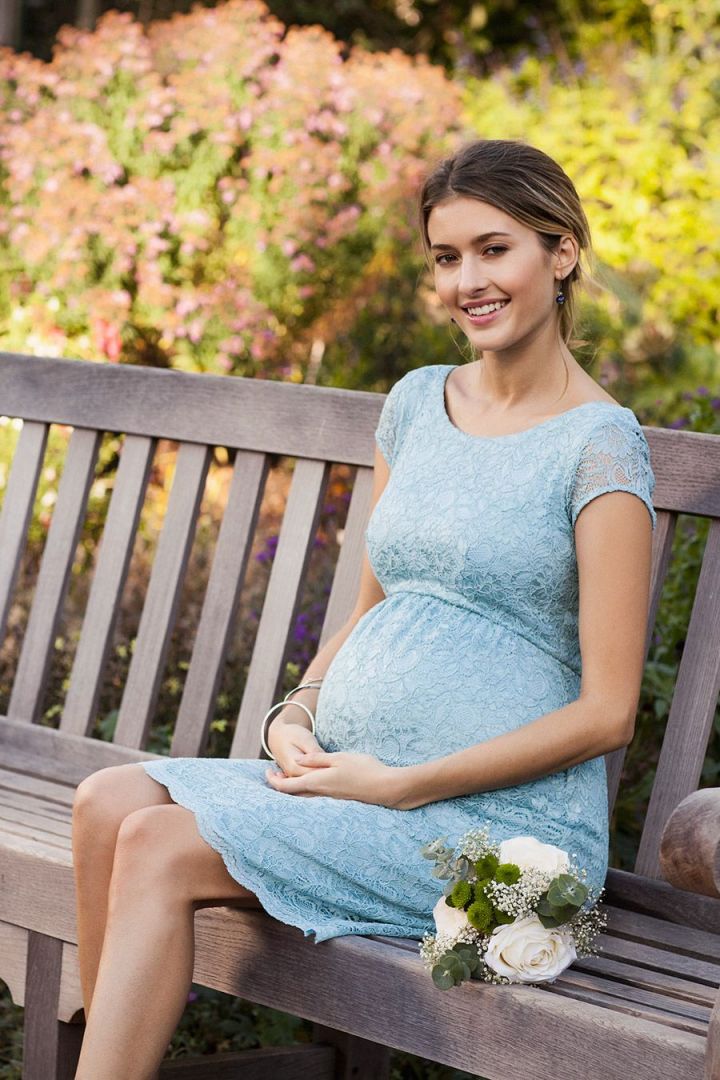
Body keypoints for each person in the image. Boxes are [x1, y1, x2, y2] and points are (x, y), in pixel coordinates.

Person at [71, 137, 656, 1077]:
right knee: (106, 802)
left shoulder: (600, 447)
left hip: (498, 832)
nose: (468, 279)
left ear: (562, 252)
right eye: (446, 257)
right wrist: (296, 710)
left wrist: (401, 784)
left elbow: (608, 711)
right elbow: (372, 609)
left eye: (493, 248)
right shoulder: (418, 403)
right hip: (357, 782)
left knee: (156, 843)